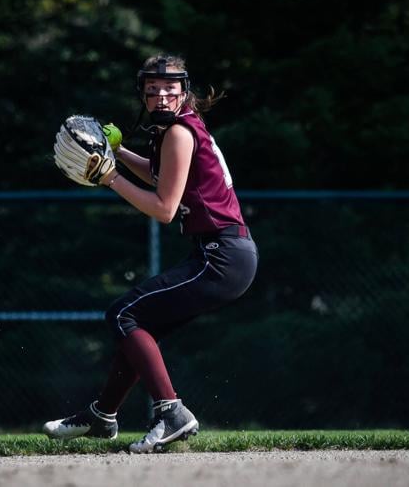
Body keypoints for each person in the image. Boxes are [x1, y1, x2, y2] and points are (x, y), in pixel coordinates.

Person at [43, 54, 258, 453]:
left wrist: (109, 177)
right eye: (153, 90)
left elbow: (164, 208)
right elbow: (161, 177)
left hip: (222, 256)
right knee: (140, 330)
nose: (161, 96)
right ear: (142, 94)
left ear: (184, 92)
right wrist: (119, 152)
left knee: (123, 314)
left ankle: (171, 413)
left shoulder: (177, 132)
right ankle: (101, 415)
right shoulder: (173, 130)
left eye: (169, 90)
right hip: (221, 253)